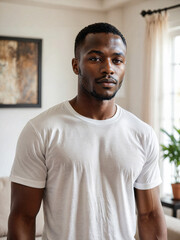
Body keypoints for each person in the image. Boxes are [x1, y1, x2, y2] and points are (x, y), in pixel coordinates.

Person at [7, 22, 167, 240]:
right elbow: (22, 217)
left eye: (117, 60)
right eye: (95, 58)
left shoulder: (142, 133)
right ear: (76, 66)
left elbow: (149, 215)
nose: (108, 68)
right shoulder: (41, 130)